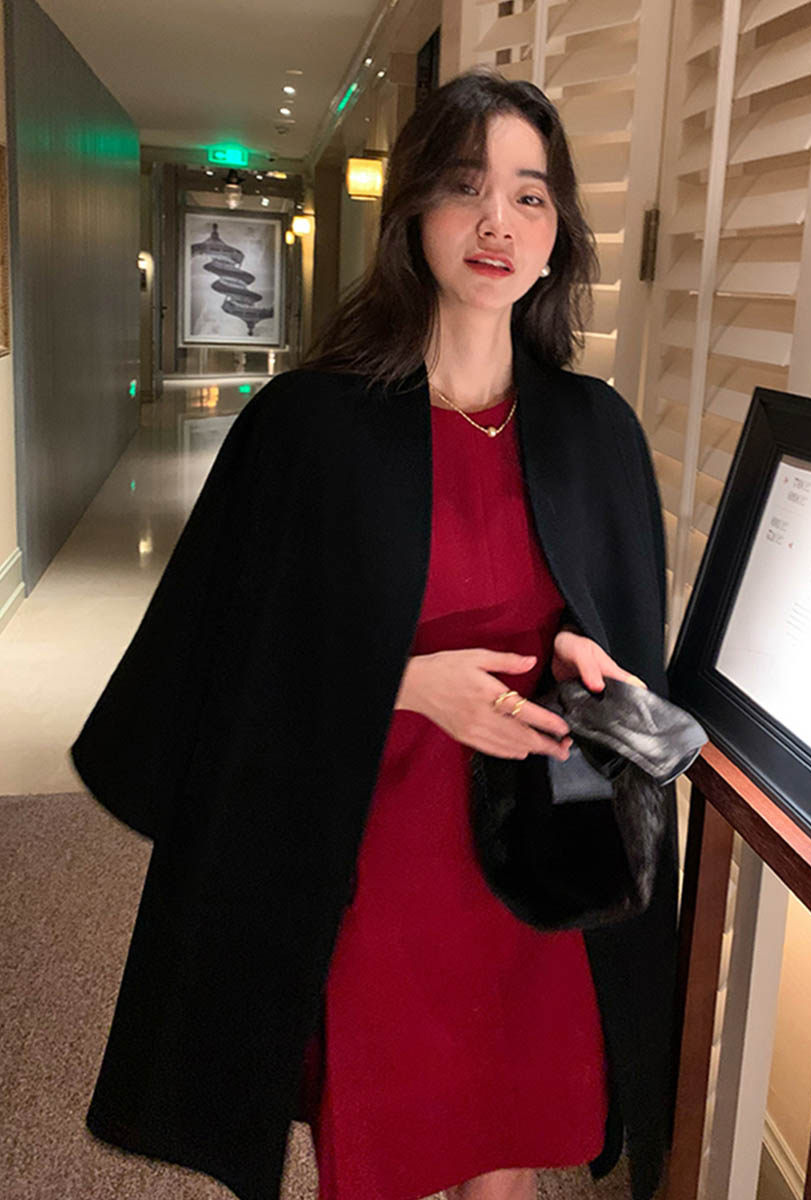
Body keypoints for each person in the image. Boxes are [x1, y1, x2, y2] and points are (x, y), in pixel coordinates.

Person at [71, 68, 677, 1200]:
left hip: (531, 846)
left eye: (530, 196)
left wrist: (579, 655)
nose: (498, 222)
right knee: (392, 1136)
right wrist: (400, 683)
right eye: (466, 186)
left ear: (558, 233)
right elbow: (228, 660)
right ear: (414, 209)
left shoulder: (597, 430)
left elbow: (605, 618)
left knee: (508, 1134)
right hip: (376, 847)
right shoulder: (309, 428)